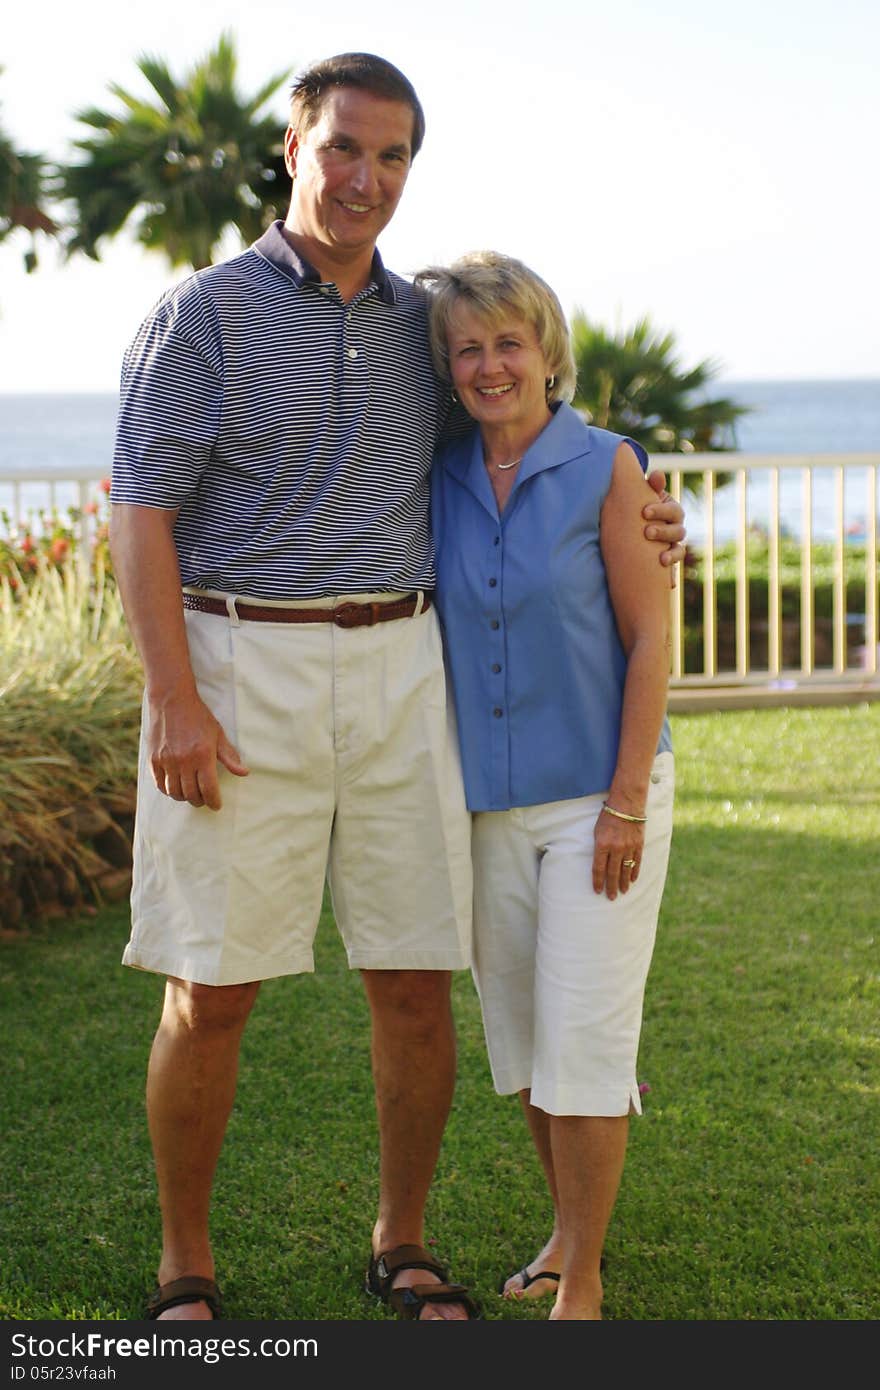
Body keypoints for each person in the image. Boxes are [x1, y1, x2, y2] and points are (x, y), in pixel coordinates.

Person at [109, 53, 686, 1322]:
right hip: (237, 661)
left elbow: (514, 426)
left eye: (391, 156)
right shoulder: (199, 313)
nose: (365, 178)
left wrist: (646, 511)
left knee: (414, 976)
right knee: (212, 988)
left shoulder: (421, 328)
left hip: (395, 665)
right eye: (342, 149)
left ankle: (402, 1240)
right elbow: (140, 507)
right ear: (293, 147)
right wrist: (172, 696)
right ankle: (183, 1264)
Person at [417, 250, 675, 1320]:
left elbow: (652, 636)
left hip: (597, 802)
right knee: (527, 1047)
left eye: (507, 342)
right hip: (483, 806)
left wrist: (623, 801)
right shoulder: (433, 473)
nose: (488, 365)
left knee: (586, 1039)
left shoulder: (611, 466)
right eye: (466, 347)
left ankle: (586, 1283)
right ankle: (565, 1237)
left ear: (545, 350)